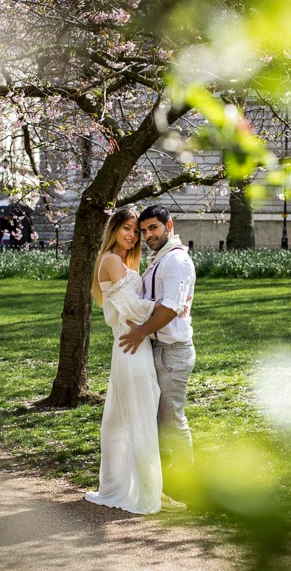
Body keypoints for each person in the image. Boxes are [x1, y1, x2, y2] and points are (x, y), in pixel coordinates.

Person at [85, 208, 185, 515]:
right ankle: (148, 492)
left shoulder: (125, 262)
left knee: (129, 419)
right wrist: (169, 306)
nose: (132, 235)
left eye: (136, 231)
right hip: (131, 345)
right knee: (139, 420)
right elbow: (131, 309)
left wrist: (166, 307)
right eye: (126, 228)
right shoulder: (111, 261)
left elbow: (133, 308)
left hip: (133, 344)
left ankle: (135, 485)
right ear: (113, 229)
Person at [120, 205, 197, 481]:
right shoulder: (159, 259)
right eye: (143, 231)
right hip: (158, 348)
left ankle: (186, 479)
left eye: (153, 228)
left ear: (169, 225)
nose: (148, 235)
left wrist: (141, 331)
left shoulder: (175, 260)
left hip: (173, 351)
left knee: (171, 419)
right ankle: (163, 477)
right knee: (157, 418)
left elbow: (170, 308)